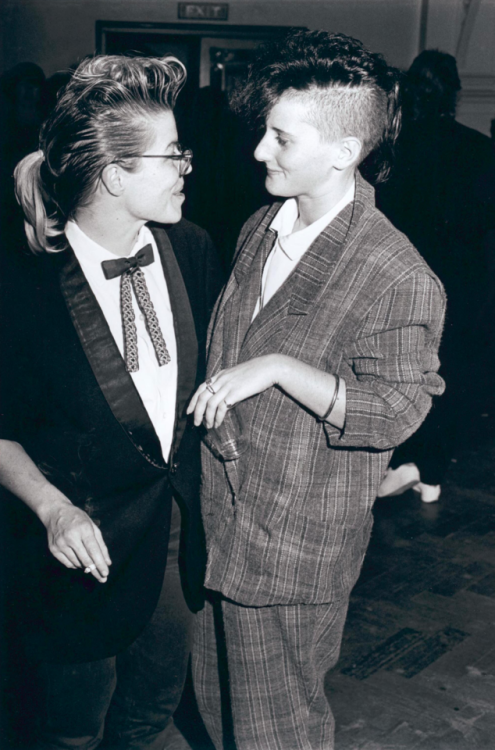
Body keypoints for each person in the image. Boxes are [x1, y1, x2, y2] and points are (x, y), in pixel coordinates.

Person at [187, 30, 446, 750]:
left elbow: (396, 408)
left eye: (279, 138)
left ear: (344, 151)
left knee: (279, 733)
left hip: (292, 548)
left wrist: (278, 368)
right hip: (222, 528)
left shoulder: (395, 273)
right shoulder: (261, 225)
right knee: (220, 713)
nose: (259, 152)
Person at [0, 54, 223, 749]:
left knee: (150, 710)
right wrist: (53, 508)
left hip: (174, 538)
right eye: (172, 154)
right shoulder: (26, 286)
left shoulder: (192, 248)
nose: (187, 164)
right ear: (117, 173)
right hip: (77, 552)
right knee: (70, 727)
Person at [376, 50, 495, 503]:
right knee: (450, 374)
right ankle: (430, 471)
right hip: (463, 282)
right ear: (455, 94)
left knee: (401, 368)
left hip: (404, 277)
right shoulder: (478, 148)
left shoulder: (396, 147)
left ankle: (401, 459)